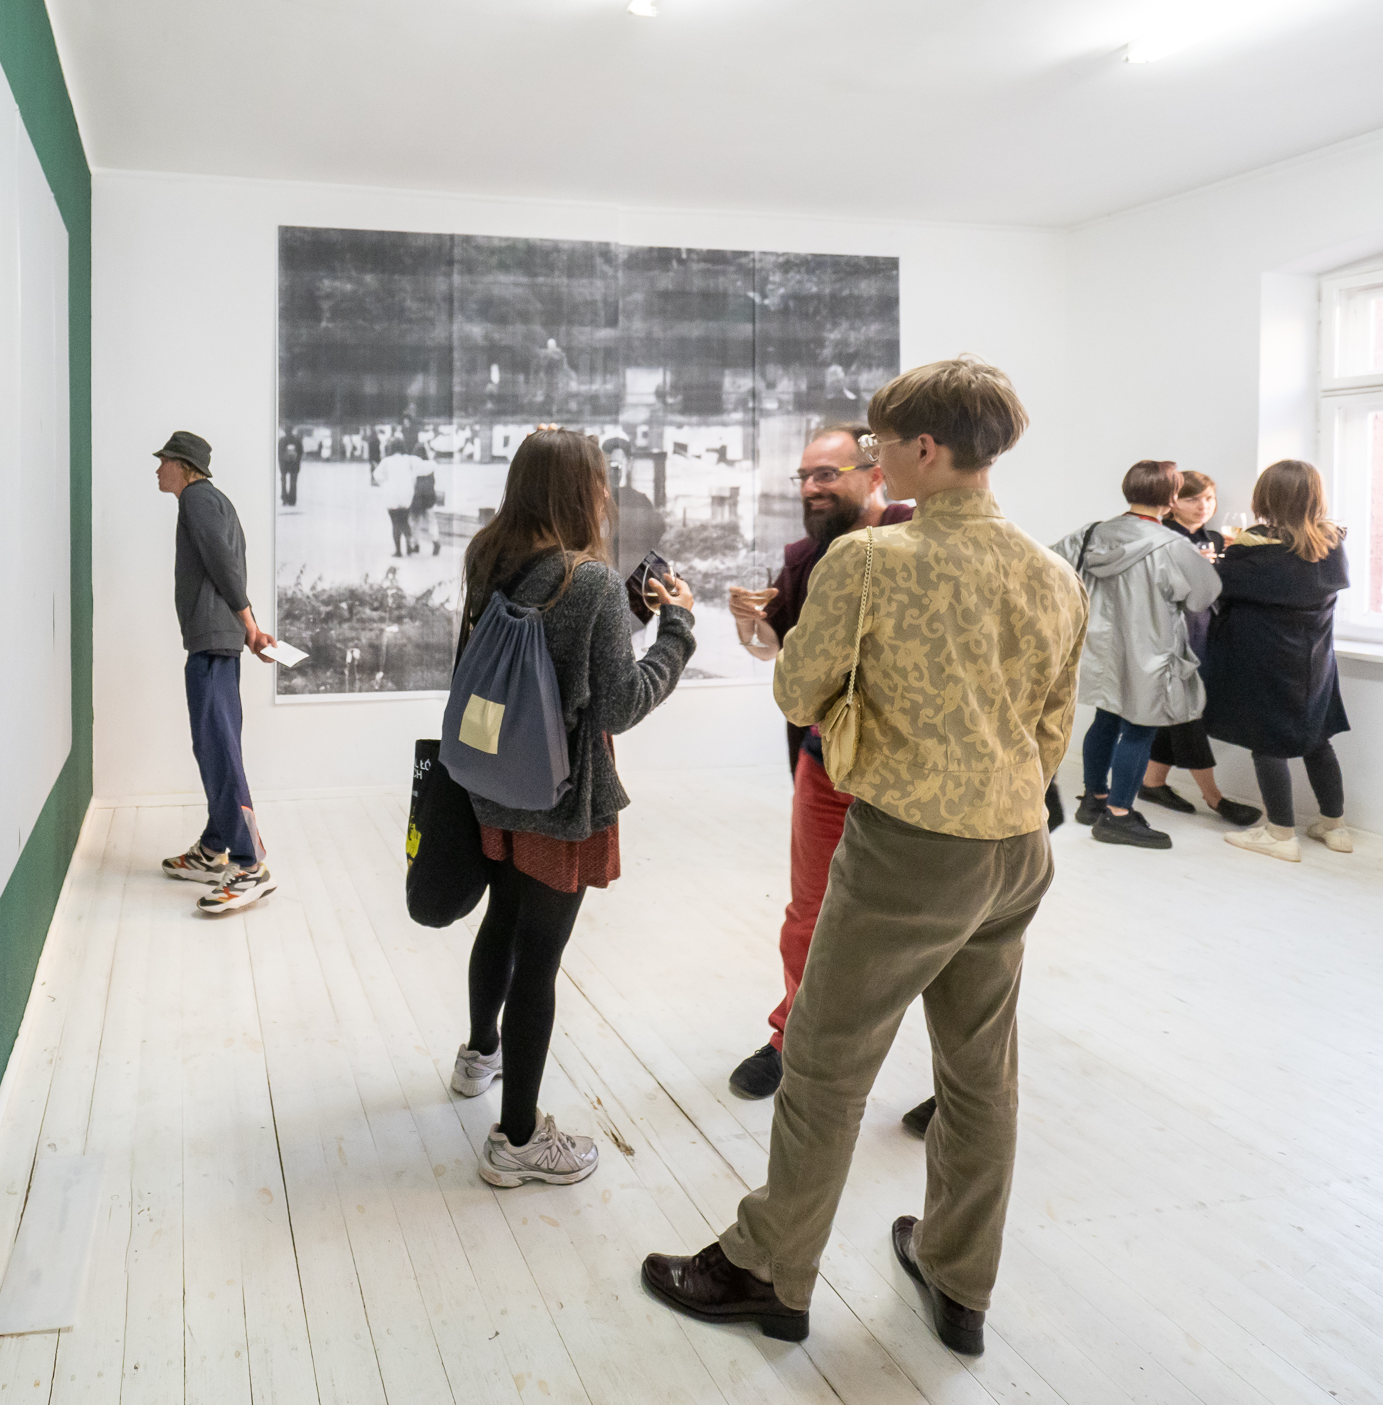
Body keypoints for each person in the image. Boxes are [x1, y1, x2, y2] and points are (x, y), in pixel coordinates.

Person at [642, 357, 1086, 1356]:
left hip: (907, 850)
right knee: (980, 1076)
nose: (876, 461)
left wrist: (854, 706)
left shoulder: (871, 562)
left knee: (824, 1066)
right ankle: (959, 1279)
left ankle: (767, 1269)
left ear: (925, 448)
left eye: (882, 445)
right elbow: (1052, 726)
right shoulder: (1052, 572)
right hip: (1014, 847)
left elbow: (797, 692)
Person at [450, 427, 697, 1188]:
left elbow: (551, 651)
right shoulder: (586, 580)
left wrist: (624, 614)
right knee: (541, 960)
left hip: (494, 778)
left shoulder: (490, 557)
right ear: (581, 491)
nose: (607, 493)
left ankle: (478, 1056)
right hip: (558, 796)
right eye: (601, 480)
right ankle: (518, 1140)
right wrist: (677, 631)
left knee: (502, 919)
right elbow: (619, 703)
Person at [722, 426, 915, 1113]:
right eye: (804, 477)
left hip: (915, 771)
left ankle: (952, 1076)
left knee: (929, 922)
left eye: (826, 474)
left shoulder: (918, 538)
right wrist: (750, 624)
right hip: (826, 762)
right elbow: (779, 650)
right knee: (811, 912)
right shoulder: (806, 557)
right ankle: (792, 1039)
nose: (811, 488)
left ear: (875, 473)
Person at [1053, 461, 1222, 850]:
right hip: (1150, 650)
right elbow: (1203, 596)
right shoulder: (1173, 546)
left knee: (1106, 719)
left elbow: (1050, 568)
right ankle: (1118, 816)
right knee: (1140, 728)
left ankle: (1094, 800)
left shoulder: (1091, 533)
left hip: (1100, 647)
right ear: (1172, 497)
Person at [151, 430, 280, 913]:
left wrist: (249, 626)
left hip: (212, 642)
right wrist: (249, 628)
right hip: (216, 639)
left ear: (183, 466)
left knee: (219, 749)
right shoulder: (216, 501)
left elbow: (224, 566)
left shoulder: (197, 499)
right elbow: (228, 569)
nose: (157, 469)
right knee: (214, 745)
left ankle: (249, 866)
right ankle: (213, 848)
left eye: (163, 461)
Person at [1203, 460, 1354, 861]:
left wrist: (1216, 560)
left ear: (1266, 497)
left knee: (1267, 742)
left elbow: (1218, 589)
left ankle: (1280, 833)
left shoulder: (1255, 548)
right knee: (1317, 740)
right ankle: (1335, 827)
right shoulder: (1331, 543)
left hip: (1266, 658)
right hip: (1314, 661)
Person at [1140, 471, 1261, 826]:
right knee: (1187, 714)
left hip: (1204, 635)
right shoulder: (1160, 537)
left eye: (1208, 498)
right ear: (1172, 503)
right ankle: (1215, 797)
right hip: (1168, 637)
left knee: (1180, 713)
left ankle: (1152, 782)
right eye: (1192, 499)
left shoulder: (1216, 539)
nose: (1203, 506)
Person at [376, 440, 420, 556]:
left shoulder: (386, 461)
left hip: (392, 495)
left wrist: (384, 483)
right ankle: (409, 547)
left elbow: (377, 475)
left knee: (395, 523)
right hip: (406, 494)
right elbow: (416, 474)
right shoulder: (409, 459)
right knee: (405, 521)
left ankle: (398, 551)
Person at [277, 427, 304, 507]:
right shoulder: (296, 440)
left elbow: (279, 453)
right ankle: (292, 499)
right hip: (294, 465)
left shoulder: (282, 440)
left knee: (283, 482)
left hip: (284, 465)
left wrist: (281, 464)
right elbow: (300, 452)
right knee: (293, 482)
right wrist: (297, 461)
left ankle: (284, 498)